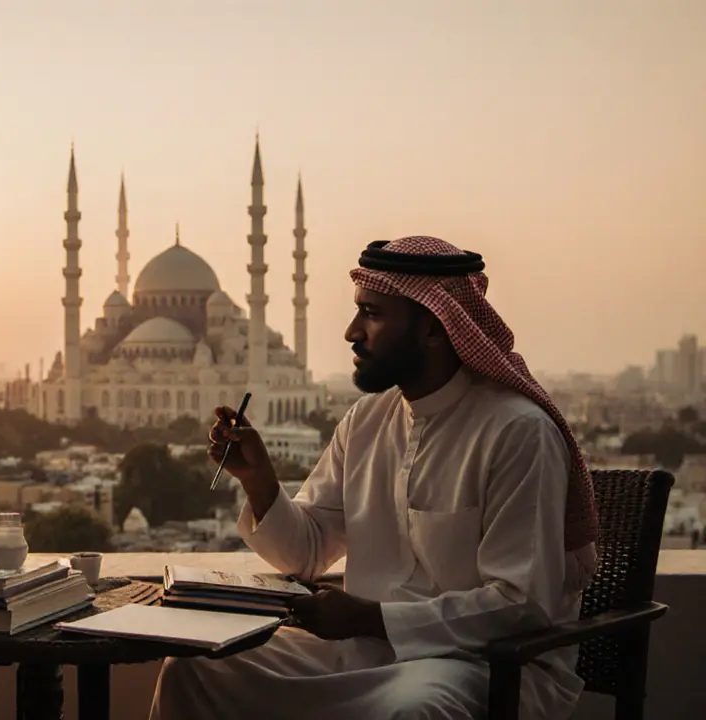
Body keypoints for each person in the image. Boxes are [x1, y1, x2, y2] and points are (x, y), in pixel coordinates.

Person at [149, 236, 599, 720]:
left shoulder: (516, 432)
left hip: (477, 663)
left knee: (414, 710)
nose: (351, 332)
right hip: (367, 651)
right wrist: (259, 482)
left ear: (432, 327)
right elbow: (306, 553)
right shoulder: (367, 422)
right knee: (193, 668)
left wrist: (371, 617)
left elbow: (519, 605)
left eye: (372, 314)